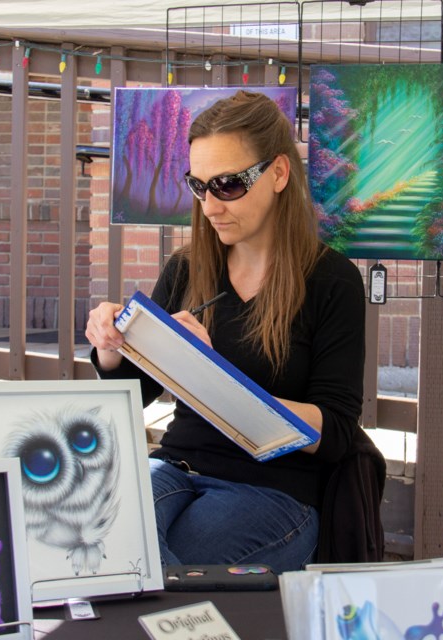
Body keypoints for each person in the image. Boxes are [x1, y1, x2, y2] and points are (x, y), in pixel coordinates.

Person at [85, 90, 365, 573]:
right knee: (91, 537)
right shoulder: (186, 269)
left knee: (154, 566)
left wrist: (212, 375)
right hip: (175, 467)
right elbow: (138, 391)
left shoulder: (331, 281)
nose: (210, 206)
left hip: (273, 489)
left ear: (278, 173)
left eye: (229, 185)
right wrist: (110, 346)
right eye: (198, 186)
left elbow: (337, 430)